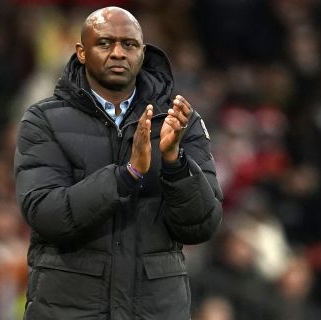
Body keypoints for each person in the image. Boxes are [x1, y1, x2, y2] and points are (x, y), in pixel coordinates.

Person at [14, 6, 223, 320]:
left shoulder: (180, 120)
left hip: (154, 310)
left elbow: (202, 224)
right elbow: (45, 213)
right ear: (81, 53)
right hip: (70, 309)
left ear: (141, 53)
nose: (117, 53)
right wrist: (127, 175)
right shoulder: (43, 120)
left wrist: (175, 163)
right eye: (104, 43)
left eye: (129, 44)